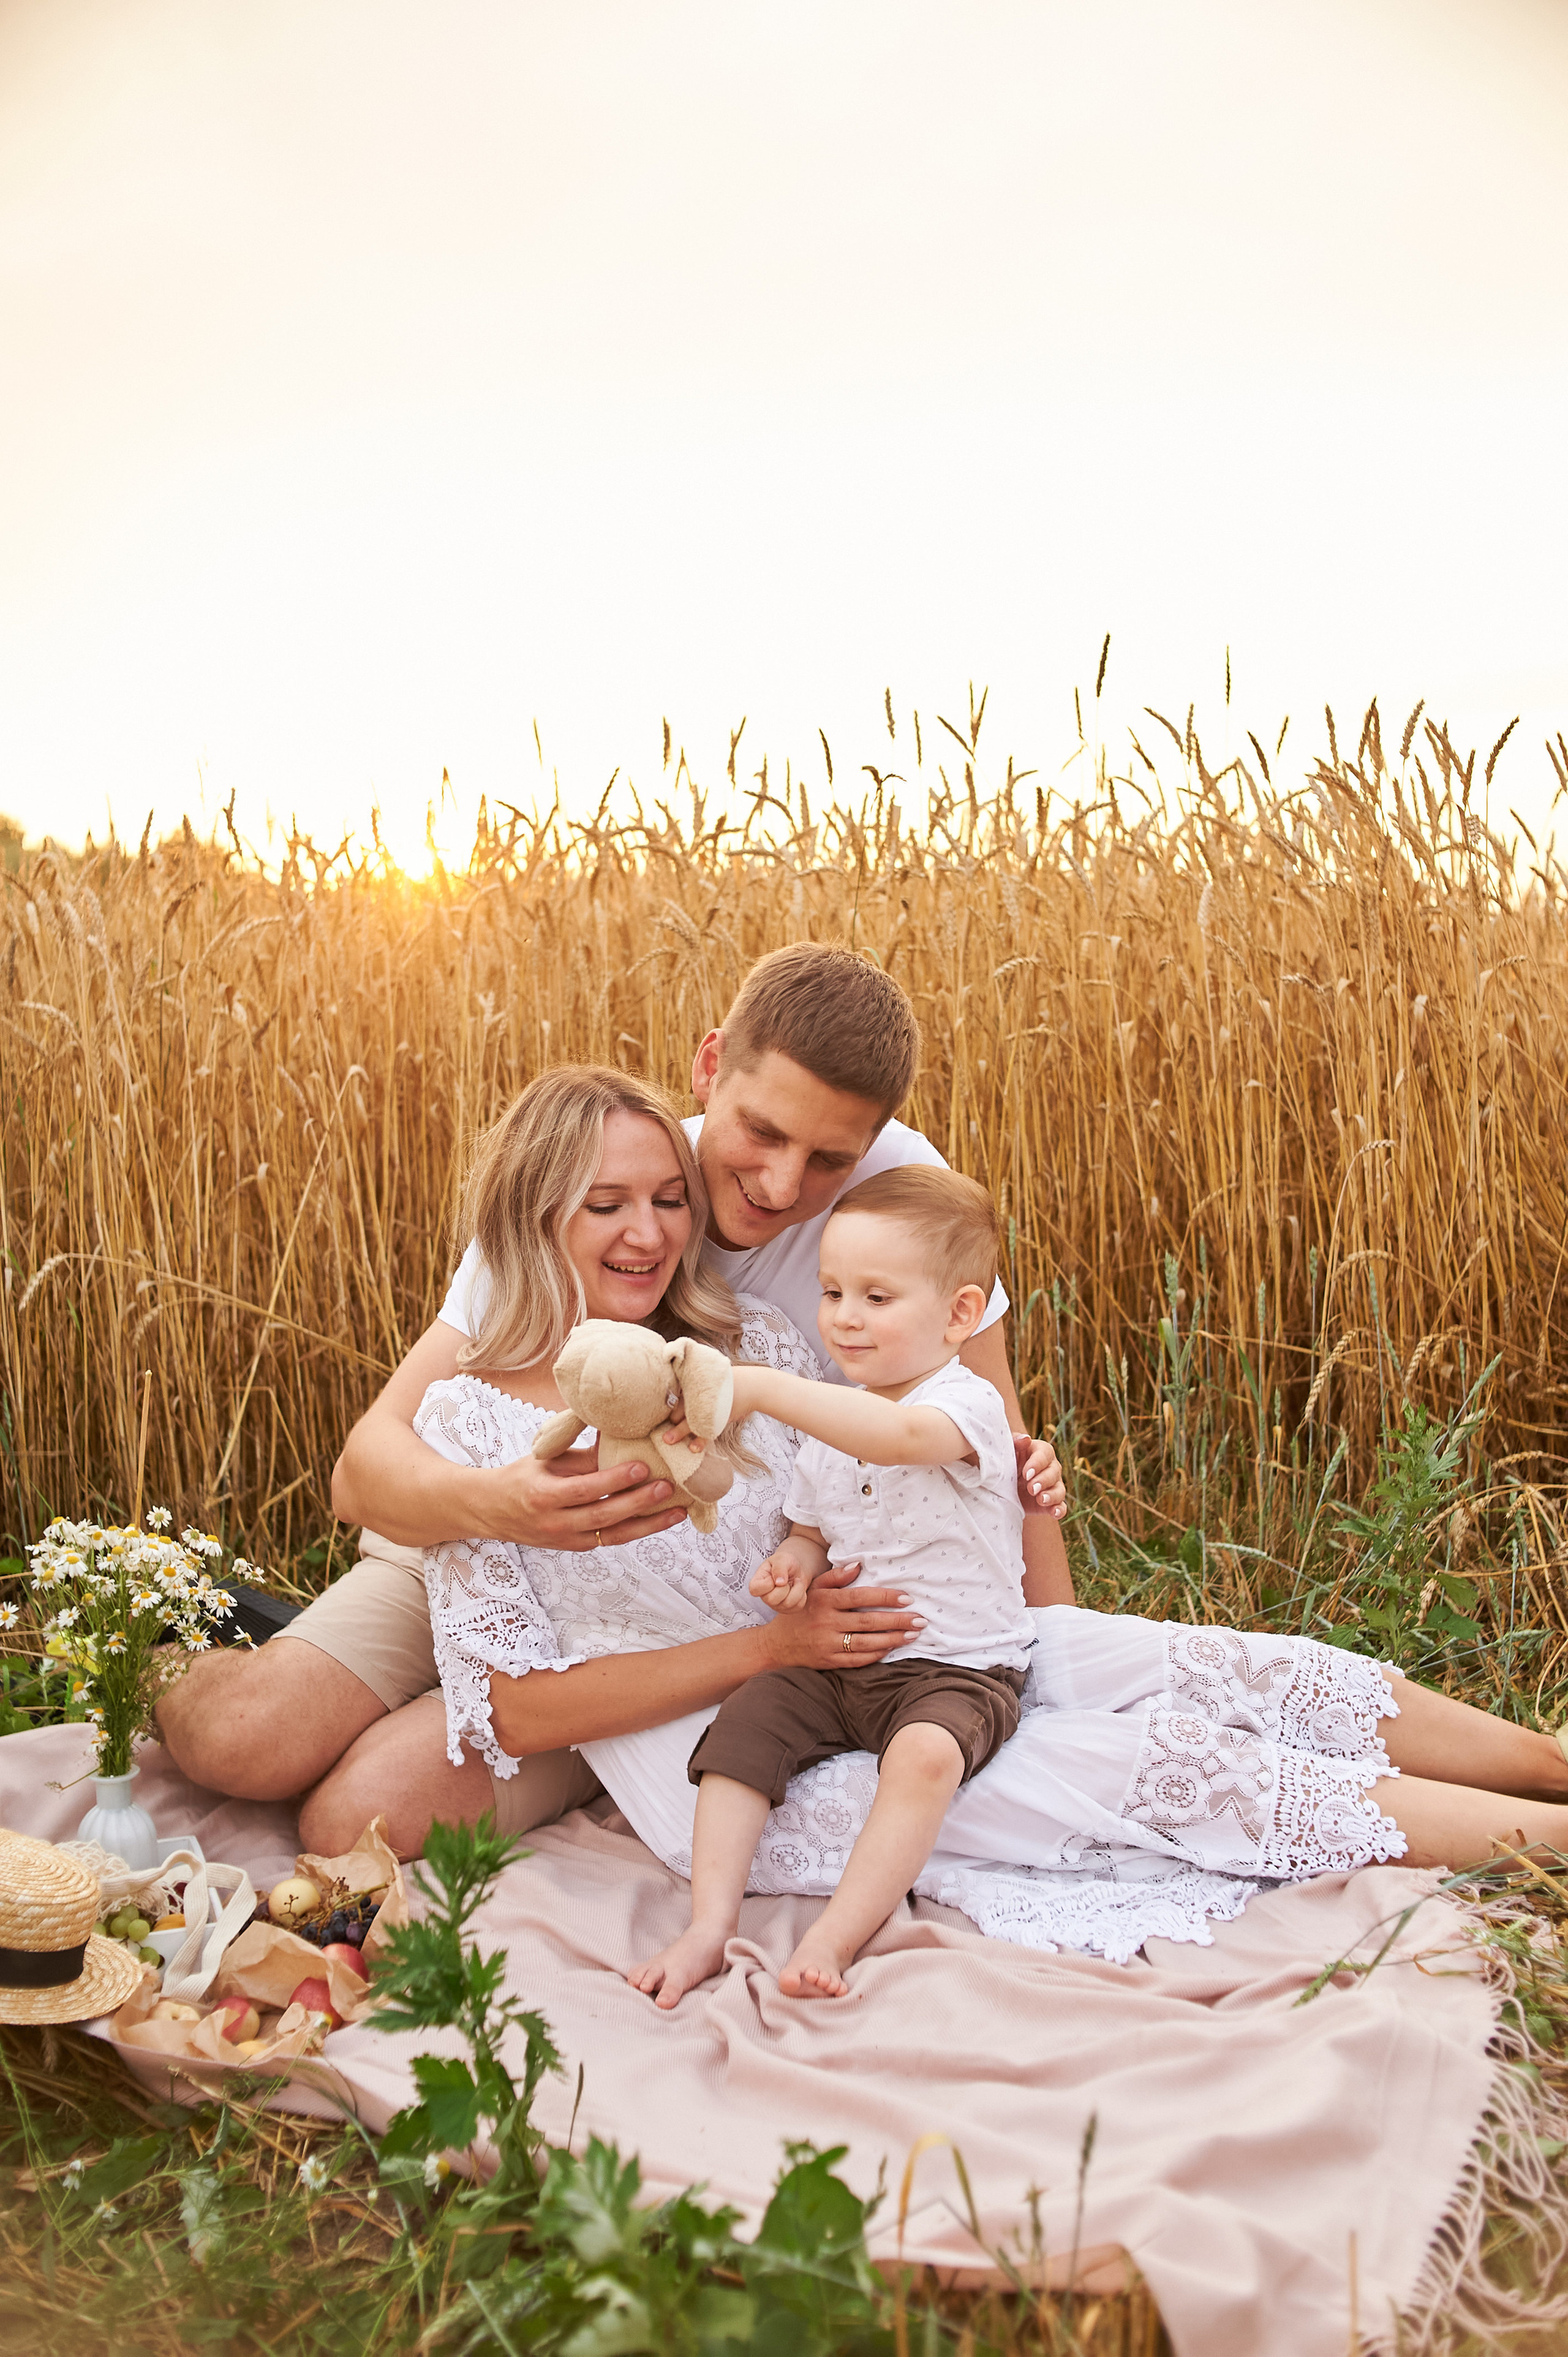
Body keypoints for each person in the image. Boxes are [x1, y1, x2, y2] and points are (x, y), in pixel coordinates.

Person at [319, 1061, 1568, 1975]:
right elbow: (517, 1712)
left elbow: (877, 1461)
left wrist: (995, 1473)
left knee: (1229, 1666)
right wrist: (773, 1648)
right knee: (1161, 1770)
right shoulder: (468, 1430)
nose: (648, 1233)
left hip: (903, 1633)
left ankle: (1551, 1761)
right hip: (745, 1747)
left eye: (666, 1199)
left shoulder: (747, 1340)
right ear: (532, 1214)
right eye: (606, 1205)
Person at [156, 945, 1069, 1850]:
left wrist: (1053, 1664)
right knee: (250, 1739)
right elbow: (368, 1469)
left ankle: (510, 1708)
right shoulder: (591, 1177)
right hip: (487, 1519)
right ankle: (168, 1639)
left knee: (363, 1811)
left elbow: (995, 1447)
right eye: (761, 1133)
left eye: (830, 1158)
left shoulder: (900, 1203)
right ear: (711, 1067)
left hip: (707, 1595)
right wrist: (507, 1507)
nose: (783, 1185)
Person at [630, 1165, 1036, 2007]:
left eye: (876, 1298)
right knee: (746, 1723)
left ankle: (836, 1935)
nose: (845, 1317)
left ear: (960, 1314)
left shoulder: (963, 1406)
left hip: (957, 1666)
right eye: (832, 1291)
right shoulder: (832, 1423)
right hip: (841, 1664)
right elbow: (815, 1526)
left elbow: (899, 1439)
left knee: (925, 1756)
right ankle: (709, 1921)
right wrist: (796, 1564)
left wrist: (764, 1388)